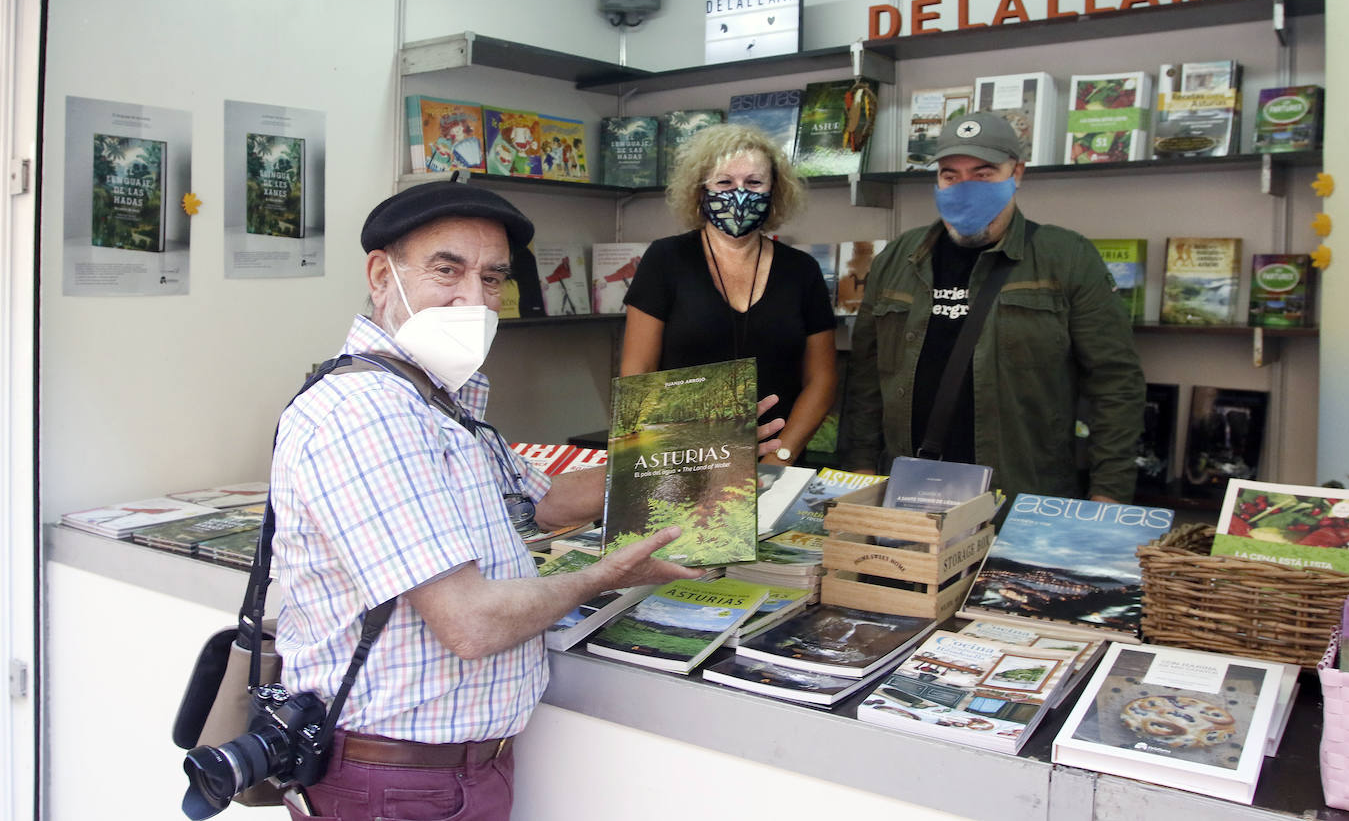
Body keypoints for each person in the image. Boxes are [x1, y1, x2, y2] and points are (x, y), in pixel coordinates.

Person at [269, 181, 784, 821]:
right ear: (382, 275)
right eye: (446, 270)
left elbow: (548, 504)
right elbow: (472, 621)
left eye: (492, 279)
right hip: (396, 782)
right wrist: (606, 575)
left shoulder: (435, 401)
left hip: (446, 772)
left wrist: (700, 451)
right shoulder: (367, 413)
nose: (474, 299)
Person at [841, 112, 1144, 503]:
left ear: (1016, 173)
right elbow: (865, 380)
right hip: (906, 493)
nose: (964, 187)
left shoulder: (1066, 257)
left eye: (983, 174)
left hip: (1020, 498)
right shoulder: (898, 258)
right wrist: (861, 470)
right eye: (950, 175)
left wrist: (1110, 494)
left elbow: (1116, 384)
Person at [621, 123, 838, 466]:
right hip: (682, 459)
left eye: (754, 183)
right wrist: (667, 451)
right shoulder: (666, 259)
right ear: (700, 189)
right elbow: (639, 371)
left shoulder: (802, 270)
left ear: (774, 190)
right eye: (724, 182)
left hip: (779, 465)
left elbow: (822, 378)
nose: (740, 194)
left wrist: (780, 456)